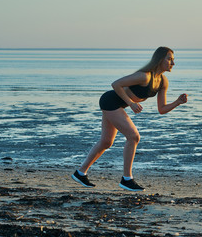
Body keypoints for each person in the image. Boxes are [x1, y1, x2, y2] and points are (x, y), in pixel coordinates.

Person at [71, 47, 188, 191]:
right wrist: (131, 103)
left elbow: (162, 109)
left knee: (106, 142)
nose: (173, 63)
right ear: (159, 60)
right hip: (110, 101)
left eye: (173, 60)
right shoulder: (144, 76)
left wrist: (177, 102)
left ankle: (80, 173)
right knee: (134, 136)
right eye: (169, 59)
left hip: (116, 105)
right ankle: (127, 179)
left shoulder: (163, 82)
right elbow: (116, 84)